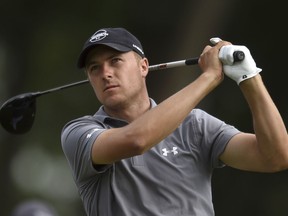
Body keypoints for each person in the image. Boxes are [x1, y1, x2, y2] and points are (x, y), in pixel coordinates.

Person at [61, 27, 288, 216]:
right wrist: (209, 77)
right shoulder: (80, 132)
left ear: (143, 67)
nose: (106, 73)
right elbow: (137, 140)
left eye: (115, 61)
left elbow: (276, 157)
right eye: (95, 68)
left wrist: (248, 77)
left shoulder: (196, 125)